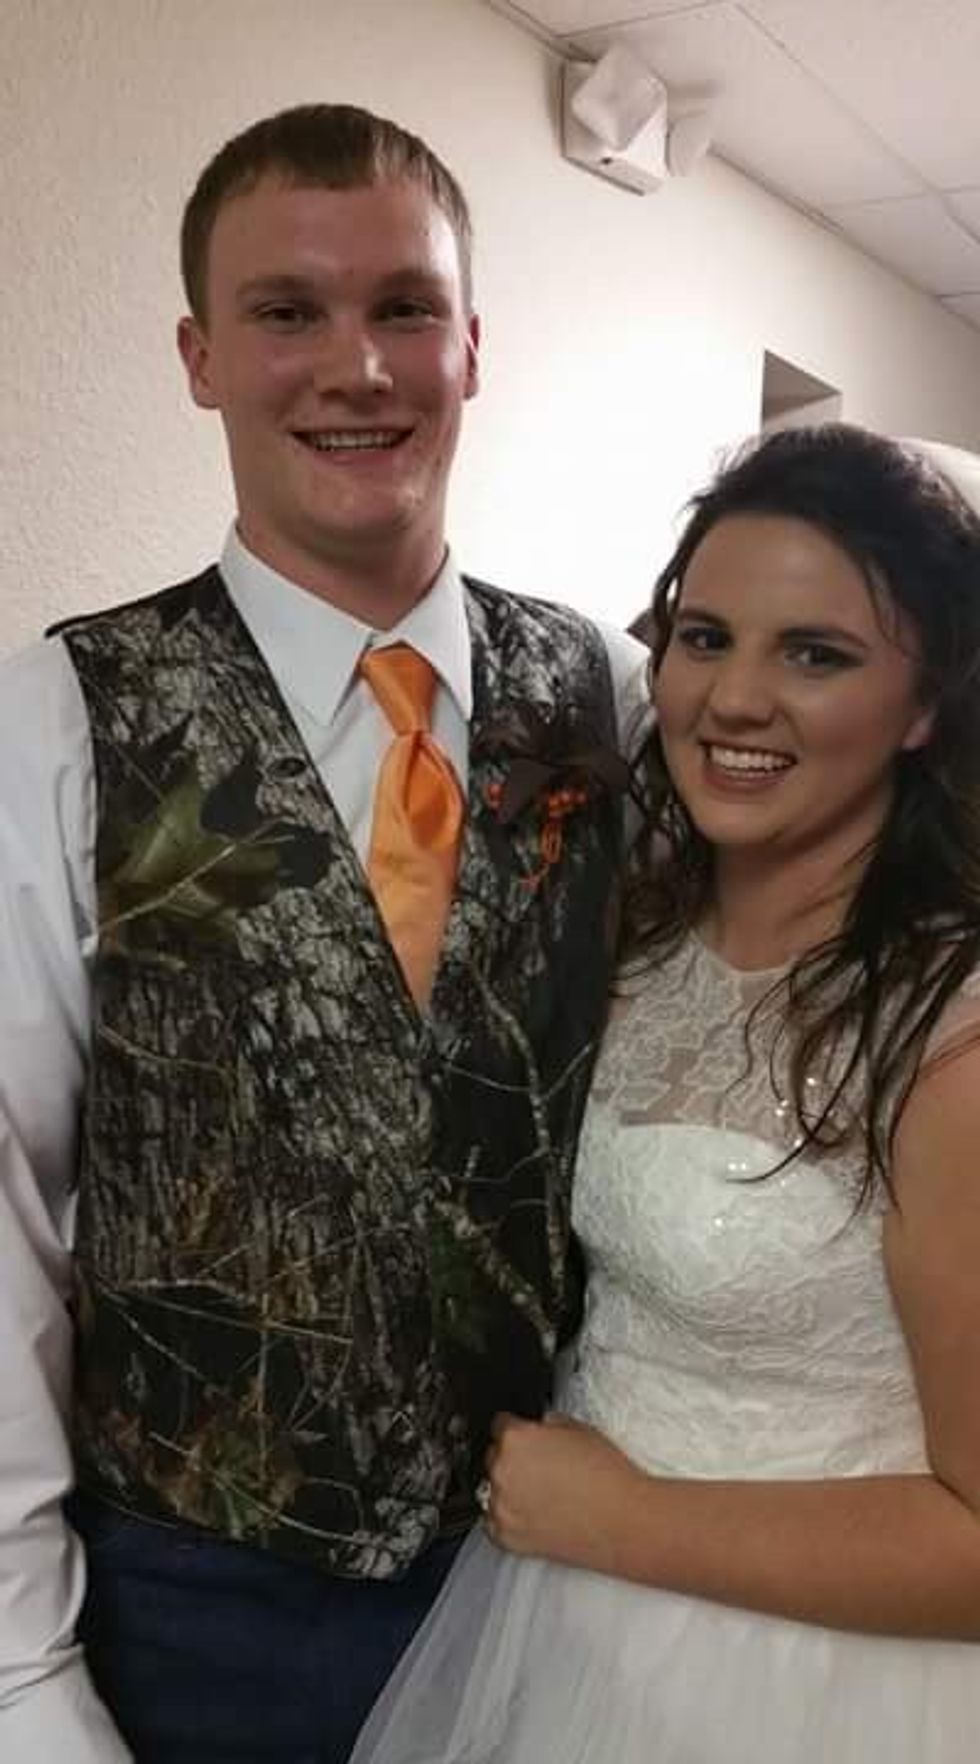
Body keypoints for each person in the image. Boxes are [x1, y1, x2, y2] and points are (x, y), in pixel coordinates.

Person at [0, 104, 645, 1763]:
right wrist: (21, 1677)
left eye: (404, 308)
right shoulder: (60, 715)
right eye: (287, 311)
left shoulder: (614, 700)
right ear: (201, 358)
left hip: (559, 1577)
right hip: (198, 1610)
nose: (356, 366)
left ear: (472, 346)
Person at [351, 423, 980, 1764]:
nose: (734, 699)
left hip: (810, 1683)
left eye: (816, 654)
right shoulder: (636, 939)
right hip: (558, 1629)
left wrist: (622, 1521)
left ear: (926, 704)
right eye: (706, 637)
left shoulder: (950, 1036)